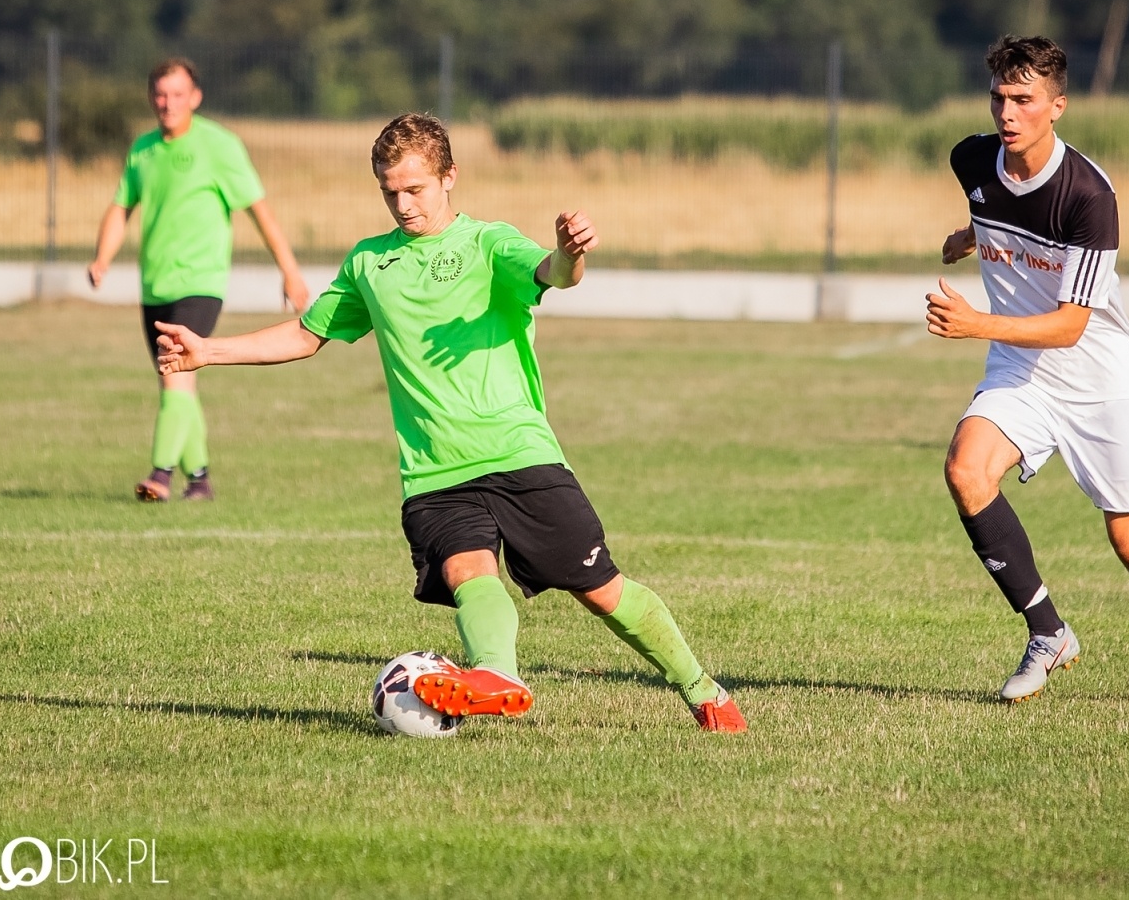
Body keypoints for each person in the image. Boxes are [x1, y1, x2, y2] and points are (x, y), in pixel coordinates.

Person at [152, 113, 747, 732]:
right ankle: (497, 676)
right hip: (432, 468)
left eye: (415, 189)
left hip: (519, 453)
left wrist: (571, 254)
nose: (402, 204)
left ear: (449, 178)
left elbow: (553, 273)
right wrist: (207, 350)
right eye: (389, 191)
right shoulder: (369, 263)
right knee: (469, 573)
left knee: (602, 591)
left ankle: (704, 690)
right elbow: (308, 334)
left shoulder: (489, 244)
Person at [927, 35, 1129, 709]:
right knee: (964, 469)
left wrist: (976, 321)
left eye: (1024, 100)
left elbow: (1070, 324)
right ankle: (1048, 631)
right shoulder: (972, 159)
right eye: (1000, 98)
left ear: (1057, 106)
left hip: (1099, 377)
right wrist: (971, 236)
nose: (1008, 112)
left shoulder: (1089, 194)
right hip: (1022, 369)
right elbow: (1003, 211)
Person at [88, 58, 309, 502]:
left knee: (174, 374)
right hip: (155, 285)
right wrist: (102, 257)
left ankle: (160, 475)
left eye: (176, 94)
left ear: (196, 97)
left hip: (200, 284)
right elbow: (121, 206)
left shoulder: (220, 146)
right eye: (160, 94)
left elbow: (259, 211)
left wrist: (289, 270)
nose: (167, 103)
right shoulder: (143, 150)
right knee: (179, 380)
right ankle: (201, 480)